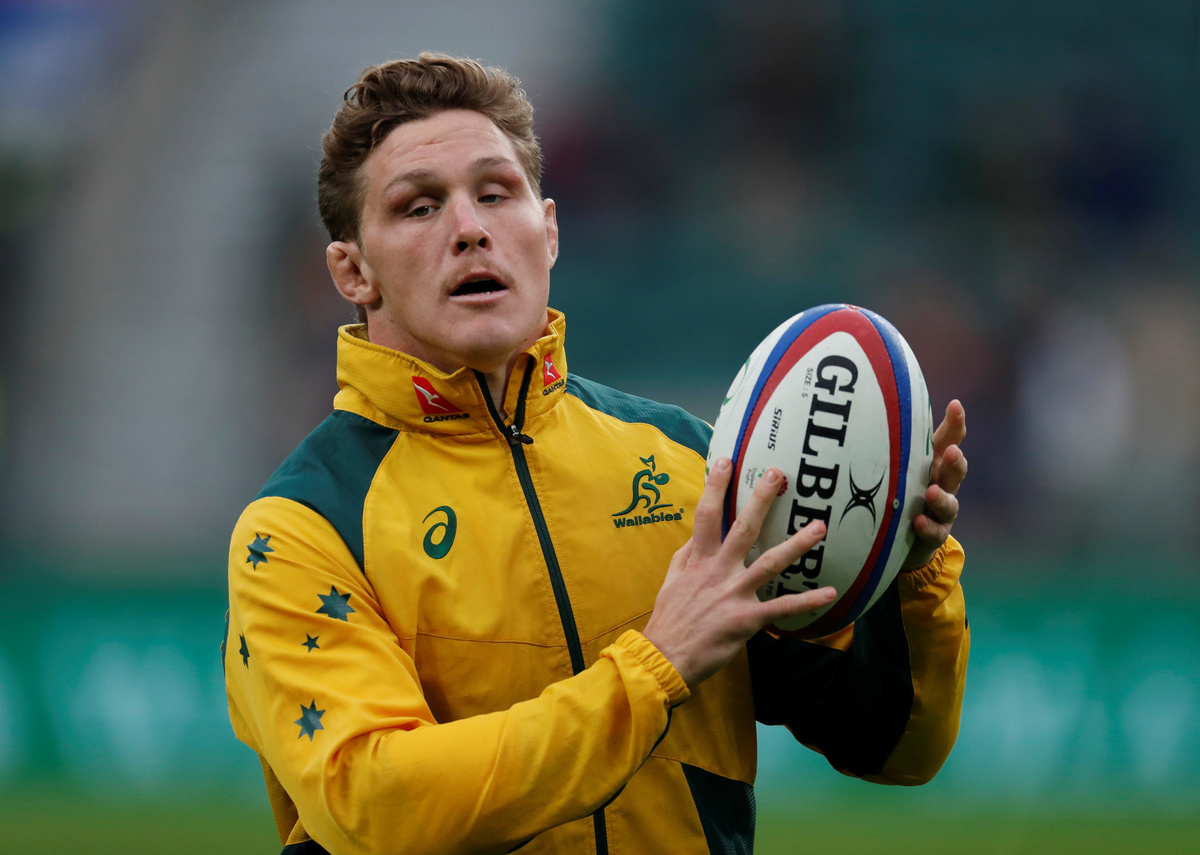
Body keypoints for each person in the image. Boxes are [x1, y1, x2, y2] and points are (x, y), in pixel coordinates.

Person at [224, 53, 969, 855]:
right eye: (419, 206)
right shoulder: (302, 531)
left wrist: (910, 572)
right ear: (352, 271)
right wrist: (654, 666)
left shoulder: (693, 467)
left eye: (495, 193)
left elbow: (895, 746)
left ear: (548, 231)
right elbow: (378, 804)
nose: (469, 227)